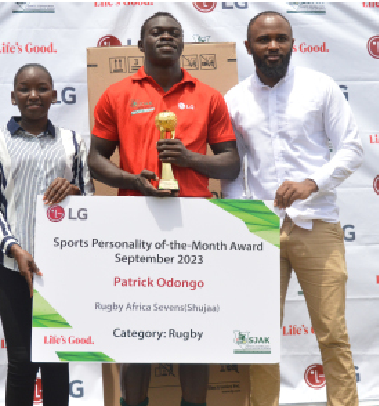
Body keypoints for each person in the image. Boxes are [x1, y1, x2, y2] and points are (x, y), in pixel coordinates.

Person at [88, 12, 239, 406]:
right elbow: (95, 159)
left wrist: (190, 159)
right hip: (136, 224)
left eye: (173, 32)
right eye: (156, 32)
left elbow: (230, 163)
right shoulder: (117, 94)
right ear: (141, 45)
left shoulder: (208, 96)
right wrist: (132, 181)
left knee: (196, 331)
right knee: (137, 332)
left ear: (183, 43)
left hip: (197, 225)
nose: (166, 37)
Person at [223, 11, 363, 406]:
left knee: (332, 332)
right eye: (264, 40)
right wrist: (242, 218)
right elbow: (234, 169)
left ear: (292, 43)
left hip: (316, 223)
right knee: (259, 337)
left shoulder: (320, 88)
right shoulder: (234, 99)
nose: (273, 46)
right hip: (259, 229)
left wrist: (311, 183)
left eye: (281, 38)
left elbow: (352, 147)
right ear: (248, 47)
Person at [0, 63, 93, 406]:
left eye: (42, 88)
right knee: (22, 361)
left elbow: (89, 199)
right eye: (25, 89)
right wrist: (15, 248)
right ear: (14, 97)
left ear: (54, 96)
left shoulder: (72, 142)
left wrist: (72, 191)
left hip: (61, 270)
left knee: (58, 359)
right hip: (11, 267)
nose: (34, 95)